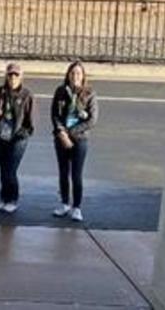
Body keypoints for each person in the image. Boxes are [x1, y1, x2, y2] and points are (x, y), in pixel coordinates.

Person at [51, 61, 97, 222]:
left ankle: (77, 207)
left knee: (76, 174)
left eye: (78, 73)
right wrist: (61, 132)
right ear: (68, 75)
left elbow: (92, 119)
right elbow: (55, 114)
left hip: (79, 139)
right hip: (61, 138)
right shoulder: (61, 91)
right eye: (72, 73)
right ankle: (64, 203)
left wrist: (71, 133)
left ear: (83, 76)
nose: (75, 76)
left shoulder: (89, 94)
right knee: (63, 172)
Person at [0, 62, 35, 214]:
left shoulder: (26, 95)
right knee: (3, 168)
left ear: (21, 77)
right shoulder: (0, 92)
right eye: (10, 74)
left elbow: (30, 121)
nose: (13, 77)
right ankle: (3, 197)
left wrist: (23, 133)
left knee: (10, 169)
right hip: (1, 135)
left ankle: (12, 199)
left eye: (16, 75)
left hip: (17, 138)